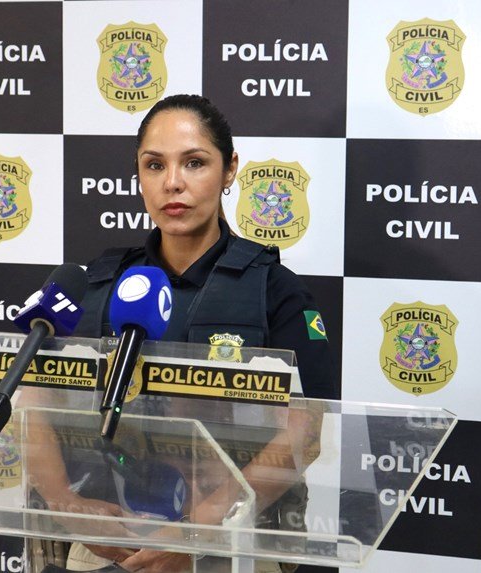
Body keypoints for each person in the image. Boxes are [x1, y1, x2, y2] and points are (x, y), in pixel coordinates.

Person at [62, 94, 336, 572]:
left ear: (229, 170)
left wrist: (198, 530)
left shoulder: (275, 290)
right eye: (154, 165)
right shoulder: (101, 284)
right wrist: (67, 505)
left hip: (235, 541)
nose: (173, 183)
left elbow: (306, 432)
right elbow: (36, 408)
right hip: (113, 541)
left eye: (194, 163)